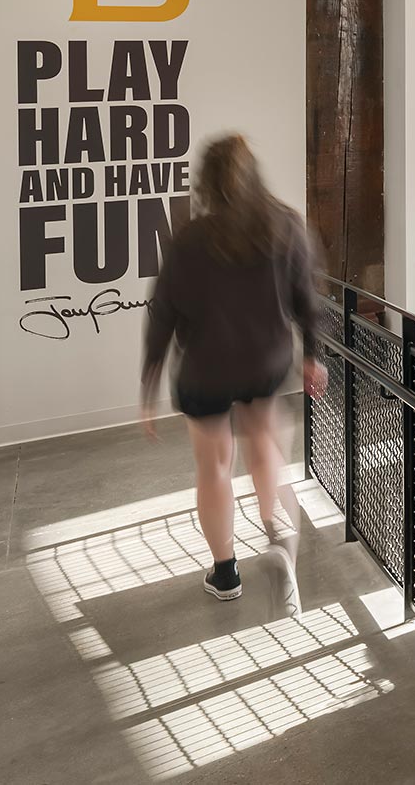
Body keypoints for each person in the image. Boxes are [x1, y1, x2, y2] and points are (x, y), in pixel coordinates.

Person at [140, 133, 322, 608]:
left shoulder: (188, 240)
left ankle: (225, 574)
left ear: (206, 183)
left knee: (215, 466)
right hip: (265, 363)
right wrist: (312, 355)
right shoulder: (286, 225)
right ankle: (279, 542)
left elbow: (163, 314)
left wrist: (148, 383)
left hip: (205, 371)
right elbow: (307, 300)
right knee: (266, 452)